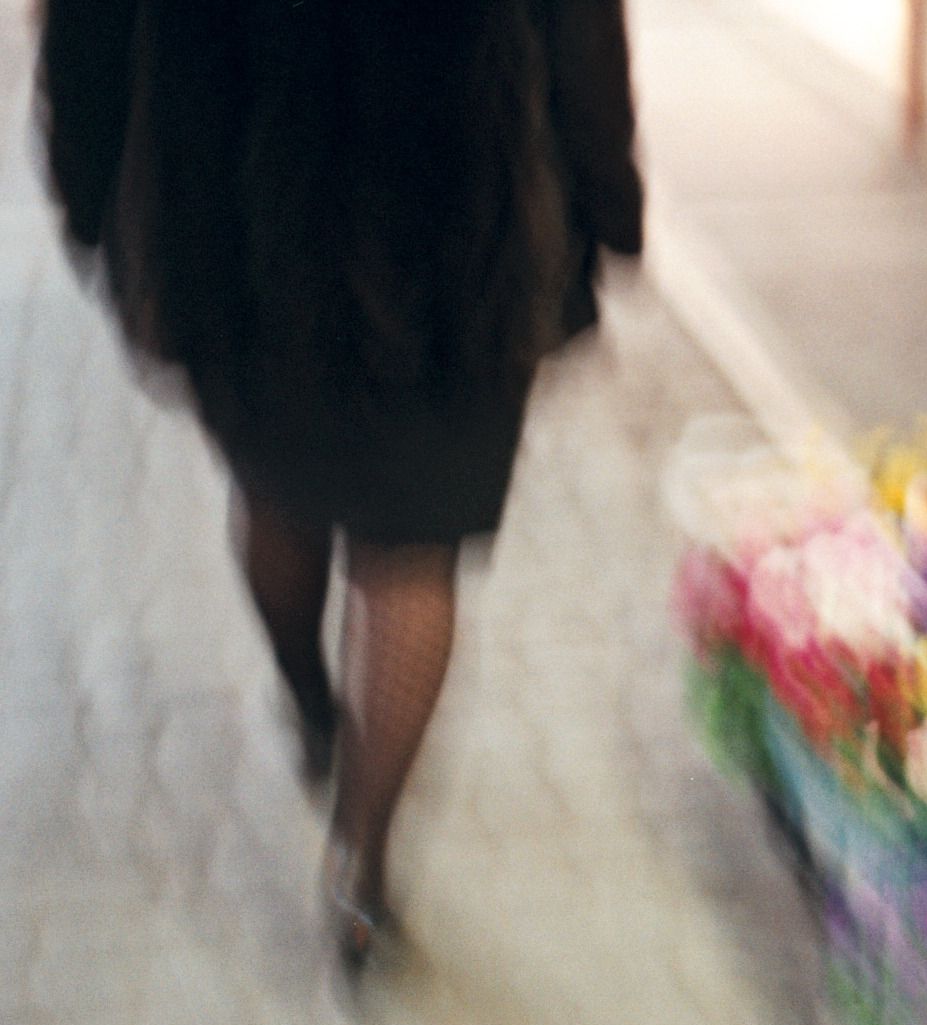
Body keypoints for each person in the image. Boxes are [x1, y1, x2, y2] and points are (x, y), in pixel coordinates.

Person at [38, 0, 644, 973]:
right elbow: (578, 25)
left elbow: (90, 27)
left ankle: (313, 705)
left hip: (235, 215)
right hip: (456, 233)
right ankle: (360, 863)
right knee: (412, 554)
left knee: (278, 493)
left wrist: (89, 180)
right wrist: (607, 196)